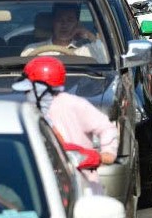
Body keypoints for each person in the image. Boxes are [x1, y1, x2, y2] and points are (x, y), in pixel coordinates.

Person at [12, 56, 118, 189]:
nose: (27, 94)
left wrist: (107, 152)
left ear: (43, 88)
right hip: (47, 183)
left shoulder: (73, 105)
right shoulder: (28, 110)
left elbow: (106, 127)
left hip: (82, 183)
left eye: (30, 90)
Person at [21, 4, 104, 58]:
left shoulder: (87, 50)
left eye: (70, 20)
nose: (64, 24)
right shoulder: (32, 50)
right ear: (53, 23)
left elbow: (106, 58)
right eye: (59, 19)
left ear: (77, 24)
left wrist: (89, 35)